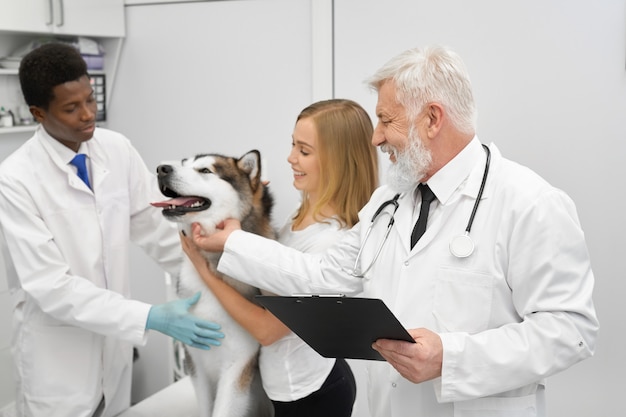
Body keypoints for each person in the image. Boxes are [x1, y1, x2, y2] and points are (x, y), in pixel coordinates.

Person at [189, 46, 599, 417]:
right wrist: (231, 241)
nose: (376, 136)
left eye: (386, 119)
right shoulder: (388, 202)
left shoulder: (529, 203)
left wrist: (450, 357)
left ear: (433, 119)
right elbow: (324, 276)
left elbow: (571, 330)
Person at [0, 42, 224, 417]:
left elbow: (159, 231)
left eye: (90, 99)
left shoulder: (115, 149)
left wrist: (215, 279)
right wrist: (149, 317)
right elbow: (52, 287)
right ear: (38, 113)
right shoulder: (15, 179)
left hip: (113, 350)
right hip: (58, 360)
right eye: (72, 108)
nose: (89, 114)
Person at [181, 98, 378, 417]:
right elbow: (268, 273)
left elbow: (267, 329)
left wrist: (203, 268)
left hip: (310, 396)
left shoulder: (328, 241)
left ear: (336, 161)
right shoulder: (299, 216)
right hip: (288, 385)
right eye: (292, 145)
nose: (290, 158)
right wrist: (248, 203)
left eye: (304, 150)